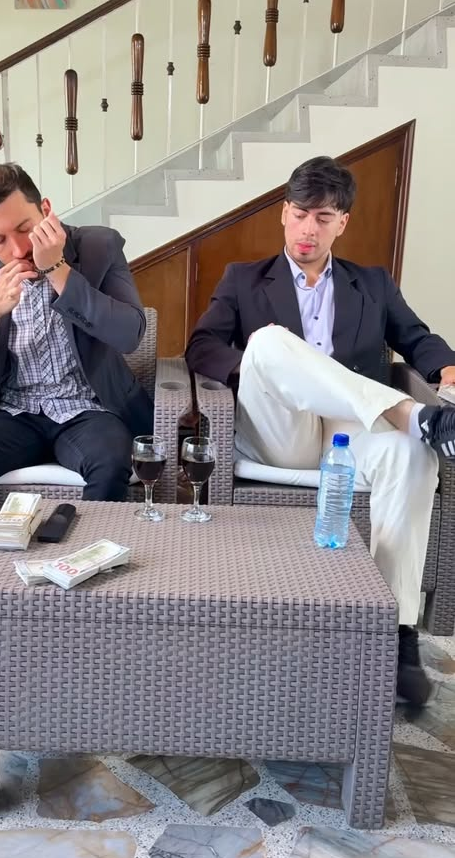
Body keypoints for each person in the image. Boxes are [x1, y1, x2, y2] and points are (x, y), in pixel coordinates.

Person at [186, 155, 455, 707]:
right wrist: (259, 369)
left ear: (342, 223)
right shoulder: (244, 279)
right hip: (281, 430)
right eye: (301, 213)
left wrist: (448, 370)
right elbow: (202, 347)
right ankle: (412, 415)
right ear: (284, 214)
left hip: (352, 428)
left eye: (324, 217)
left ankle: (395, 631)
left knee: (413, 457)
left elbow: (417, 337)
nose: (309, 228)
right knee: (267, 342)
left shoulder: (372, 284)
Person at [0, 163, 153, 709]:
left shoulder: (98, 247)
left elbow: (130, 332)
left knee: (111, 463)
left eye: (24, 229)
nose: (15, 249)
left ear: (46, 210)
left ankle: (86, 628)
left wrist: (59, 273)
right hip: (13, 410)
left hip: (87, 408)